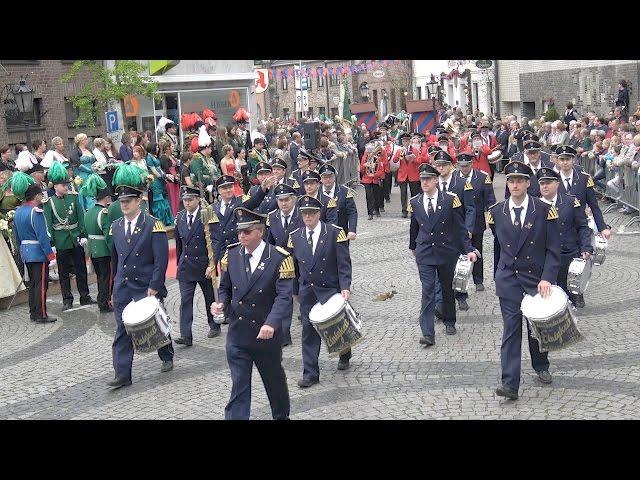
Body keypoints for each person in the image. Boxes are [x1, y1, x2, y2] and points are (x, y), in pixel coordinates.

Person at [488, 161, 560, 401]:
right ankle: (510, 383)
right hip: (509, 279)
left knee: (534, 328)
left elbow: (553, 249)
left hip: (535, 280)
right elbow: (498, 248)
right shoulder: (497, 212)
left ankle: (541, 364)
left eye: (519, 180)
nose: (515, 184)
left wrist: (547, 278)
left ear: (529, 183)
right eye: (511, 180)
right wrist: (498, 276)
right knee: (511, 330)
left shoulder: (543, 210)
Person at [211, 207, 292, 420]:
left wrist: (272, 323)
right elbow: (225, 288)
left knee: (274, 382)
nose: (241, 236)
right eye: (239, 232)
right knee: (239, 386)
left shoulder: (279, 258)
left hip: (265, 334)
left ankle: (281, 416)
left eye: (247, 232)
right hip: (238, 335)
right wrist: (220, 304)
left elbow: (284, 297)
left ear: (260, 232)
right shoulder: (232, 255)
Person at [107, 164, 174, 389]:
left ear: (139, 201)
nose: (123, 205)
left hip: (146, 285)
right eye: (121, 201)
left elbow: (160, 259)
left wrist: (155, 285)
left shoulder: (152, 225)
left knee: (156, 325)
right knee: (122, 330)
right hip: (124, 286)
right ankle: (123, 373)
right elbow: (115, 262)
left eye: (128, 201)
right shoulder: (115, 227)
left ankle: (166, 354)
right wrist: (113, 288)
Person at [288, 195, 353, 388]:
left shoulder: (334, 233)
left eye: (311, 213)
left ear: (319, 213)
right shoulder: (295, 236)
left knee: (336, 326)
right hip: (308, 290)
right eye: (304, 213)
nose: (307, 216)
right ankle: (310, 373)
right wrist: (294, 290)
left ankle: (344, 353)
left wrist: (345, 287)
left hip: (330, 288)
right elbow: (294, 267)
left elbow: (343, 263)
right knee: (308, 330)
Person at [409, 164, 477, 344]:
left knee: (447, 289)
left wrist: (468, 250)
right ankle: (428, 333)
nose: (424, 182)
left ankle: (449, 321)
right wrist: (413, 248)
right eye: (422, 179)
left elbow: (460, 228)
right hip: (425, 253)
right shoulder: (415, 202)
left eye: (428, 179)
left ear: (435, 181)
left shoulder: (449, 200)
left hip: (446, 251)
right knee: (428, 290)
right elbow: (413, 227)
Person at [41, 161, 94, 310]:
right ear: (55, 186)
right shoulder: (49, 202)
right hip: (61, 240)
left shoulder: (73, 197)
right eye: (63, 185)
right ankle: (67, 299)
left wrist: (82, 233)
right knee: (63, 273)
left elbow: (80, 216)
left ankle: (85, 296)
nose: (66, 187)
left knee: (81, 269)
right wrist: (52, 243)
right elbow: (48, 224)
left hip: (75, 238)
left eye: (66, 184)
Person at [537, 167, 592, 307]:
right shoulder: (534, 205)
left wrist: (586, 246)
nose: (545, 186)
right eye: (542, 183)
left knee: (569, 297)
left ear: (557, 184)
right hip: (544, 258)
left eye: (548, 183)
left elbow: (582, 226)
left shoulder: (570, 202)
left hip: (568, 255)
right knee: (547, 299)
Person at [174, 185, 221, 345]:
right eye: (185, 200)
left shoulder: (206, 215)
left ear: (198, 200)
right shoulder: (180, 217)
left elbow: (216, 241)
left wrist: (212, 263)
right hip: (186, 265)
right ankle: (186, 334)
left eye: (190, 200)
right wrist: (179, 263)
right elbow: (179, 243)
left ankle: (214, 324)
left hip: (203, 265)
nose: (187, 203)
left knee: (209, 297)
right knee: (185, 300)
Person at [12, 172, 57, 323]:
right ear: (35, 196)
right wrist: (51, 256)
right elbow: (42, 237)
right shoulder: (36, 212)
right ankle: (41, 314)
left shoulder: (18, 212)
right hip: (38, 252)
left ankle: (33, 313)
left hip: (26, 252)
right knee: (41, 284)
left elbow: (17, 237)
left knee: (33, 284)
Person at [210, 174, 273, 264]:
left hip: (238, 249)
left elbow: (254, 202)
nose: (228, 190)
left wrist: (262, 188)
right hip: (221, 253)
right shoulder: (213, 208)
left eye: (230, 187)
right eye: (224, 188)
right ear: (219, 190)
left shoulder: (241, 201)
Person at [456, 153, 496, 293]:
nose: (464, 169)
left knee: (477, 251)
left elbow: (490, 200)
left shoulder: (482, 177)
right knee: (460, 254)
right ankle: (460, 284)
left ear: (472, 164)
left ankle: (478, 280)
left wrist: (490, 218)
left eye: (466, 166)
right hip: (459, 222)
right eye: (461, 166)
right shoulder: (454, 178)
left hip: (477, 222)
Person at [80, 174, 113, 313]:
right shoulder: (103, 213)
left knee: (100, 277)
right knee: (107, 278)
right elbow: (108, 235)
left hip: (94, 250)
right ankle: (105, 302)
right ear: (105, 198)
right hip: (104, 250)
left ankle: (102, 300)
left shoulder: (88, 212)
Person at [318, 163, 357, 240]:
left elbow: (352, 212)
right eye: (325, 177)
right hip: (321, 234)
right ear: (320, 178)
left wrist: (352, 230)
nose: (328, 179)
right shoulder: (316, 193)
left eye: (330, 177)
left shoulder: (344, 191)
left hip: (341, 233)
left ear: (334, 177)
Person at [393, 134, 425, 218]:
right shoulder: (399, 150)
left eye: (407, 141)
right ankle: (404, 211)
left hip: (413, 174)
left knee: (414, 194)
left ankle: (413, 210)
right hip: (403, 174)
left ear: (409, 141)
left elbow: (419, 160)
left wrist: (412, 159)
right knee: (403, 193)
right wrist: (399, 153)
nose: (405, 142)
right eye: (404, 141)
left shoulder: (414, 149)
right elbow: (395, 160)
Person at [146, 143, 174, 227]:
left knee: (164, 200)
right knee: (158, 202)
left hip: (160, 180)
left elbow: (160, 169)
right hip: (155, 182)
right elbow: (154, 171)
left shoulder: (154, 156)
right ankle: (159, 222)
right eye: (157, 147)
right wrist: (165, 176)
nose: (158, 148)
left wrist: (166, 176)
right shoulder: (149, 158)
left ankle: (166, 221)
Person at [360, 143, 386, 220]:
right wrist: (364, 166)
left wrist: (375, 175)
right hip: (367, 180)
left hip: (375, 179)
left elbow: (381, 171)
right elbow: (361, 170)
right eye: (368, 151)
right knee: (369, 196)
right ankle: (370, 213)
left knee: (376, 195)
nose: (369, 153)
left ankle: (377, 210)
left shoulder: (378, 159)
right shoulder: (364, 158)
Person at [71, 133, 96, 211]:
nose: (87, 140)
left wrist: (96, 167)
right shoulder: (75, 151)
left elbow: (94, 160)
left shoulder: (89, 149)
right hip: (83, 175)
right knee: (86, 192)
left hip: (93, 173)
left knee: (94, 191)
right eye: (85, 139)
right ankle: (87, 210)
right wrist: (89, 170)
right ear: (81, 141)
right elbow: (78, 164)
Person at [158, 142, 180, 216]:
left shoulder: (172, 156)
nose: (173, 148)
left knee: (176, 196)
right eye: (172, 147)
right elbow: (165, 169)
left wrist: (177, 174)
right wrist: (173, 176)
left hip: (175, 177)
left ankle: (176, 212)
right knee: (172, 197)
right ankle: (173, 214)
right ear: (167, 148)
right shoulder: (163, 157)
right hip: (170, 179)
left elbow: (176, 167)